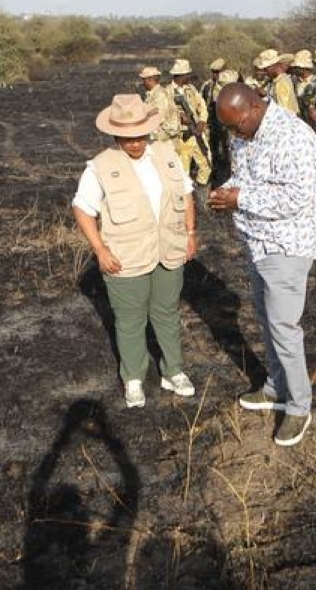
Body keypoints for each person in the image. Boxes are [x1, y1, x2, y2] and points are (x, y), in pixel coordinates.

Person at [208, 83, 316, 447]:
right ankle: (274, 387)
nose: (234, 133)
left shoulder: (295, 137)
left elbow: (296, 197)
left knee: (284, 327)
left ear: (256, 106)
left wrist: (240, 198)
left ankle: (299, 407)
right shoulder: (245, 133)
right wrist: (227, 191)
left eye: (237, 124)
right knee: (266, 319)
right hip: (257, 243)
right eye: (228, 128)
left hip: (285, 245)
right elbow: (244, 176)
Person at [72, 94, 199, 406]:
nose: (135, 143)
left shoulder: (167, 154)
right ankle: (133, 379)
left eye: (139, 135)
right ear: (115, 134)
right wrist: (100, 249)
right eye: (127, 137)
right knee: (130, 320)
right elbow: (82, 208)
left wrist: (191, 232)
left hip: (169, 249)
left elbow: (186, 193)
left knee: (167, 312)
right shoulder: (100, 166)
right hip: (125, 257)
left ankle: (173, 371)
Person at [168, 59, 213, 196]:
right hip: (181, 138)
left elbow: (202, 106)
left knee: (206, 165)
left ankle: (201, 195)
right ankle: (185, 200)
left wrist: (202, 122)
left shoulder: (191, 89)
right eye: (187, 74)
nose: (189, 77)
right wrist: (179, 120)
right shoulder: (167, 93)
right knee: (183, 170)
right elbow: (163, 117)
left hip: (196, 134)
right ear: (181, 76)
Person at [138, 66, 180, 143]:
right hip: (159, 136)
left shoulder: (160, 94)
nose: (143, 83)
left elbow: (159, 117)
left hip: (165, 138)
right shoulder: (153, 94)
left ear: (149, 80)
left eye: (144, 80)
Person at [254, 49, 300, 116]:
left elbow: (283, 111)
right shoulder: (280, 80)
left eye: (266, 69)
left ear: (272, 66)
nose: (266, 72)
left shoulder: (281, 84)